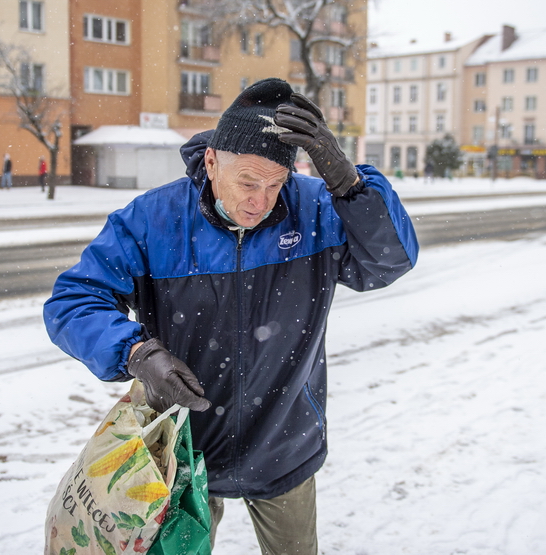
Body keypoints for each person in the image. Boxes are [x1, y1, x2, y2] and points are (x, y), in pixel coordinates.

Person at [44, 78, 418, 555]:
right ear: (212, 160)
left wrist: (349, 183)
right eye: (247, 182)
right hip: (181, 452)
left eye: (274, 183)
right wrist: (136, 352)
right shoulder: (154, 220)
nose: (260, 202)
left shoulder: (315, 209)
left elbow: (390, 261)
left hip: (284, 443)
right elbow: (73, 300)